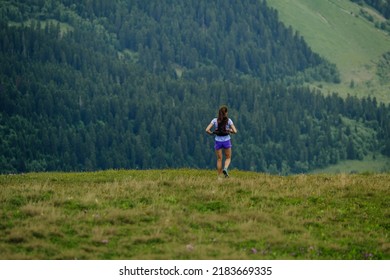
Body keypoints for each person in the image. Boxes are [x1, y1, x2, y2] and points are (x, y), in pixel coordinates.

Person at [205, 106, 237, 178]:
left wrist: (212, 133)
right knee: (228, 157)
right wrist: (230, 131)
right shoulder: (229, 121)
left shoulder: (214, 120)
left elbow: (207, 130)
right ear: (225, 113)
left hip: (218, 141)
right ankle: (225, 169)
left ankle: (219, 177)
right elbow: (235, 131)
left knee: (219, 159)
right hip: (226, 140)